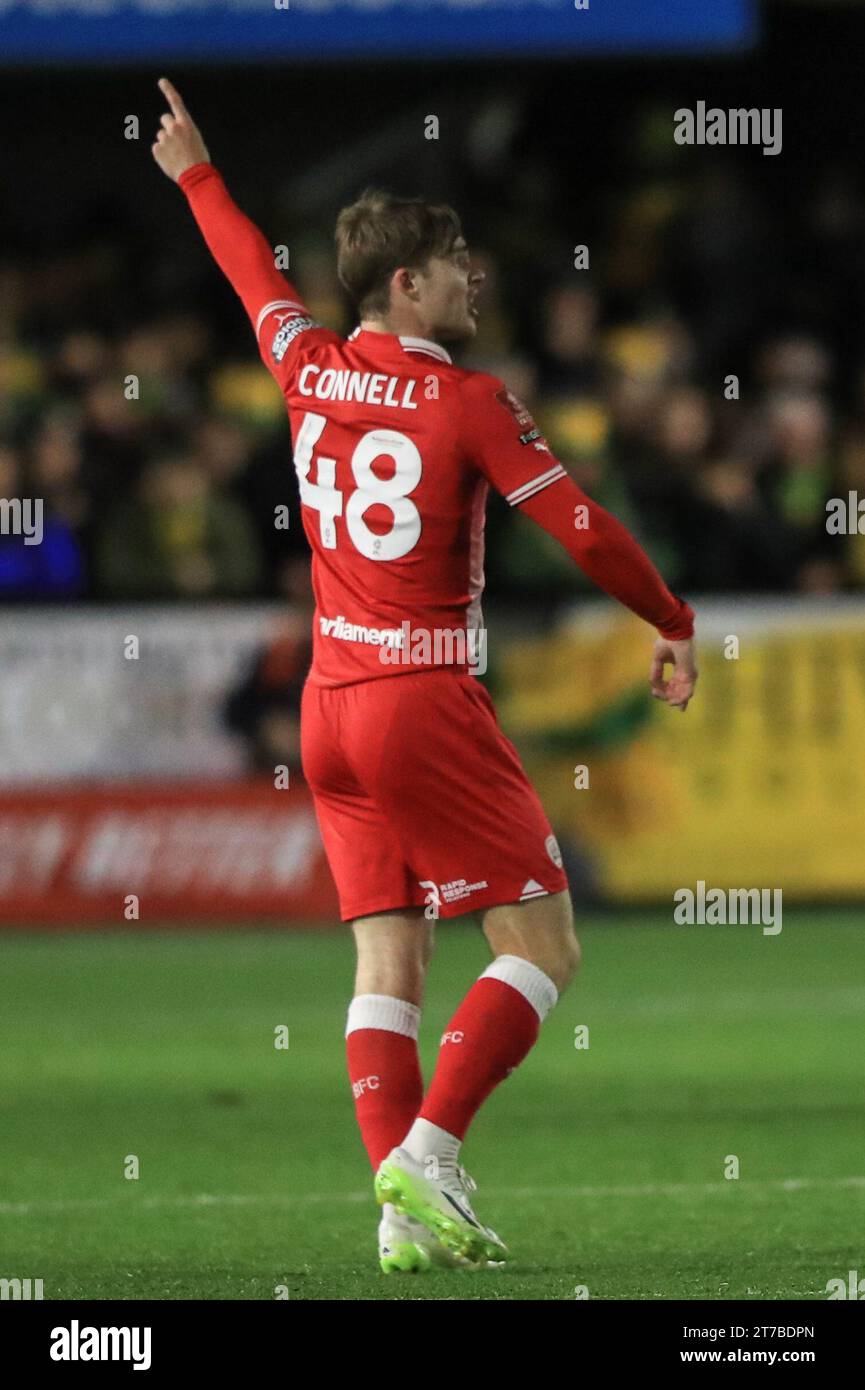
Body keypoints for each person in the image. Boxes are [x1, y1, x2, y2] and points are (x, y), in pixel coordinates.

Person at [151, 78, 698, 1274]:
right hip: (421, 697)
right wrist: (668, 614)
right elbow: (584, 528)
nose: (475, 279)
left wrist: (195, 172)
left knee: (387, 962)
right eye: (456, 263)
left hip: (331, 709)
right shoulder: (466, 403)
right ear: (407, 283)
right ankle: (431, 1151)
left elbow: (249, 269)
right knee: (542, 948)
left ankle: (401, 1216)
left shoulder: (300, 361)